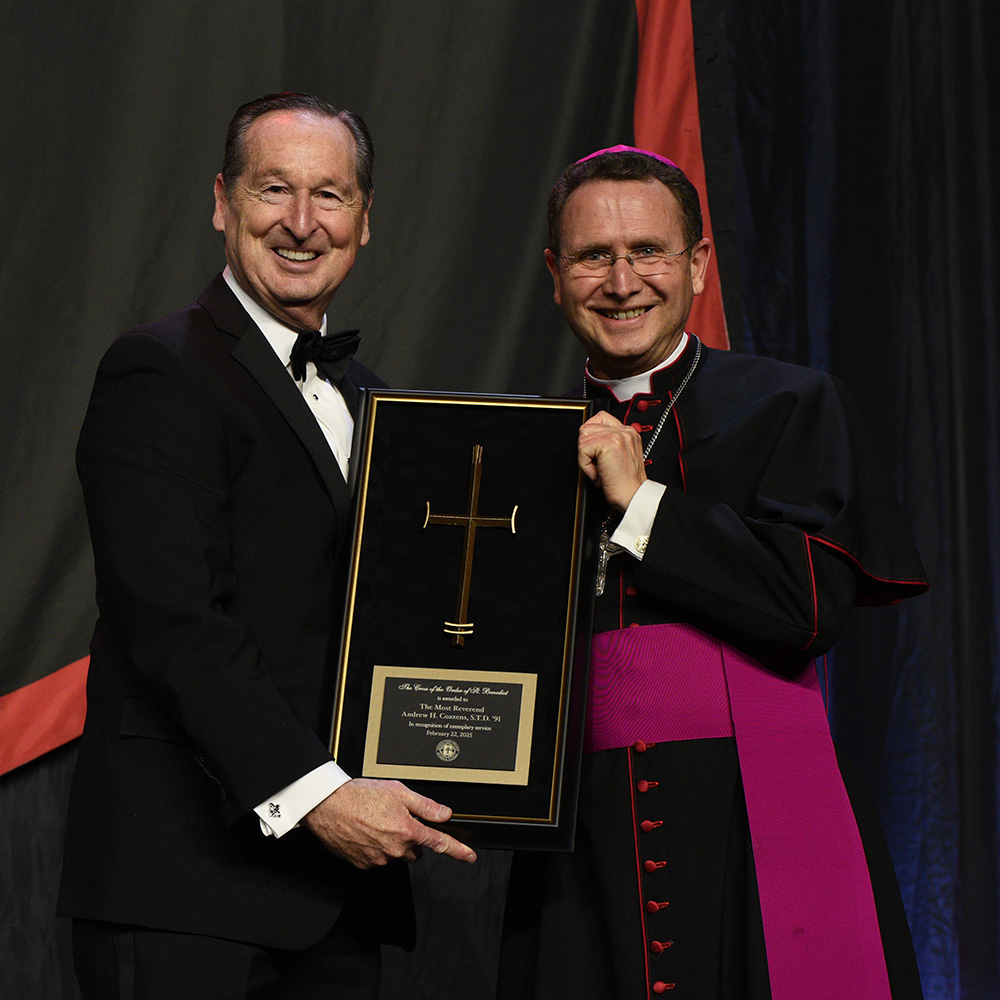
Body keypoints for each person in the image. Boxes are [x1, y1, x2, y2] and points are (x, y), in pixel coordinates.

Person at [58, 93, 475, 1000]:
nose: (300, 221)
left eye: (329, 195)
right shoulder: (158, 370)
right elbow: (174, 622)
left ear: (365, 219)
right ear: (222, 202)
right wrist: (319, 794)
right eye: (273, 189)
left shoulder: (375, 402)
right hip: (186, 890)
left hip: (336, 900)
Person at [498, 146, 928, 999]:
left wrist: (642, 504)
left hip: (746, 811)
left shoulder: (790, 404)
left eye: (647, 251)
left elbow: (807, 607)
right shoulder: (513, 443)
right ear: (554, 274)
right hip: (577, 832)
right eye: (592, 257)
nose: (622, 282)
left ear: (697, 265)